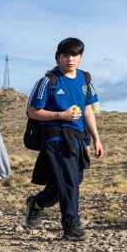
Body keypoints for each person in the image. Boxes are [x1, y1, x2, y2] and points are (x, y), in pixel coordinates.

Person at [24, 37, 103, 240]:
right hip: (55, 136)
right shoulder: (48, 81)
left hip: (77, 137)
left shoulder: (85, 79)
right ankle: (71, 226)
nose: (70, 59)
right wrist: (61, 115)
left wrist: (95, 139)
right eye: (66, 55)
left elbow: (87, 110)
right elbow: (32, 111)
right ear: (58, 58)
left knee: (74, 180)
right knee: (68, 181)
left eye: (75, 55)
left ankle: (38, 203)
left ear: (81, 57)